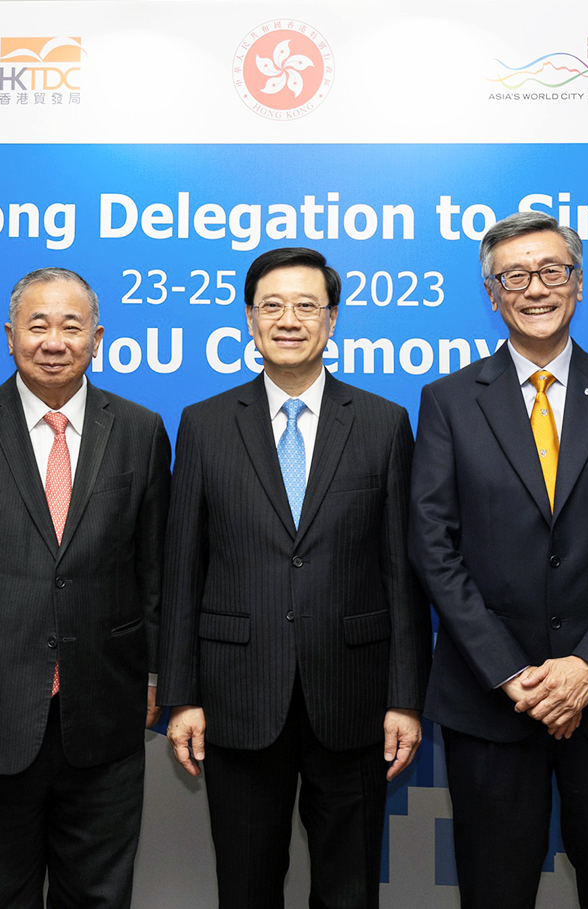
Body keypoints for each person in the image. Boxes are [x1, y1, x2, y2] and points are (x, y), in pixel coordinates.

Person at [408, 210, 588, 909]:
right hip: (493, 702)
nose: (535, 288)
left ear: (579, 284)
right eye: (514, 276)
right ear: (493, 295)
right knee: (493, 892)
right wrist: (512, 673)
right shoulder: (446, 401)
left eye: (552, 270)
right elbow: (434, 547)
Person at [160, 247, 427, 909]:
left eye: (307, 305)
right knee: (247, 886)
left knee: (350, 886)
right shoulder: (203, 423)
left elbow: (404, 571)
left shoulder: (383, 421)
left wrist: (405, 697)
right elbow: (181, 567)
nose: (289, 319)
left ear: (331, 319)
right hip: (238, 696)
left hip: (355, 697)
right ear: (249, 319)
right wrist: (182, 694)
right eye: (272, 306)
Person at [0, 267, 169, 909]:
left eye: (71, 325)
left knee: (99, 895)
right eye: (37, 324)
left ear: (97, 338)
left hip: (105, 710)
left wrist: (157, 678)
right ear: (10, 335)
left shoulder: (140, 429)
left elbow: (155, 571)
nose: (54, 340)